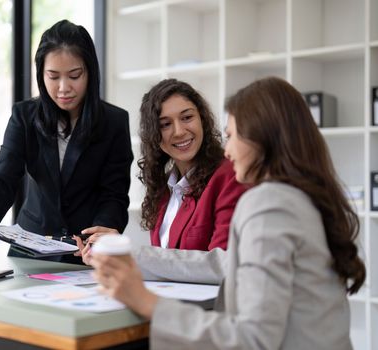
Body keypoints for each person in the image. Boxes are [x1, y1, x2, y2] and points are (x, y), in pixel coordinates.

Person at [91, 76, 366, 349]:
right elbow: (224, 263)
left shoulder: (269, 205)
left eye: (232, 135)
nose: (228, 148)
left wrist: (146, 302)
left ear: (263, 138)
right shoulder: (300, 197)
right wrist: (129, 258)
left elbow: (252, 338)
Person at [0, 20, 133, 264]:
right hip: (29, 252)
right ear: (41, 74)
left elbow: (114, 193)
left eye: (74, 76)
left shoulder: (113, 122)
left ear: (90, 72)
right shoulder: (25, 116)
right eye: (53, 76)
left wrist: (104, 232)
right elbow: (4, 176)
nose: (64, 88)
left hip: (86, 254)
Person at [76, 79, 245, 255]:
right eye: (165, 124)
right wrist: (113, 252)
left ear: (202, 119)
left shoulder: (230, 176)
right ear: (153, 134)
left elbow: (220, 264)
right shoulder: (164, 190)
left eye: (187, 118)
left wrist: (130, 253)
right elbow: (166, 265)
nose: (179, 131)